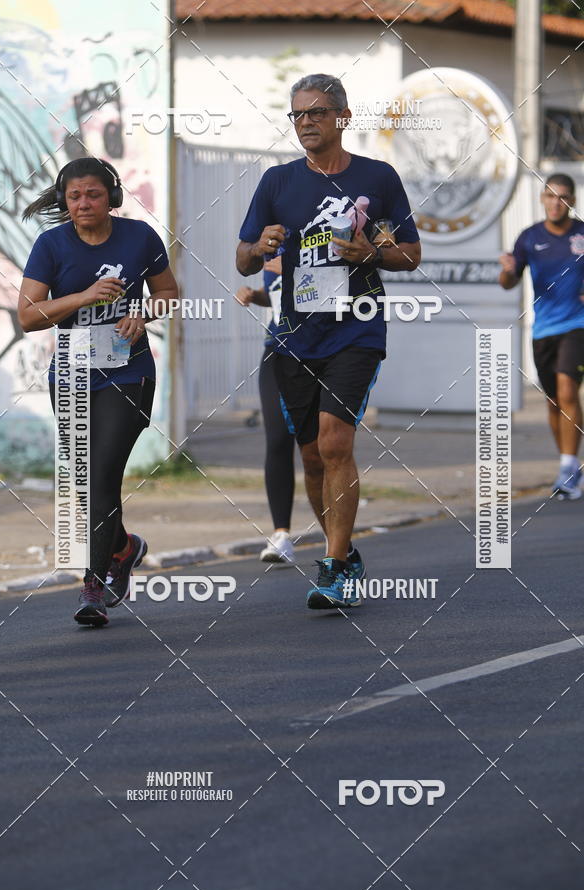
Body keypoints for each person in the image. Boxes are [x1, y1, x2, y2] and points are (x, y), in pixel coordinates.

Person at [236, 73, 421, 610]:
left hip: (356, 328)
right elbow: (242, 259)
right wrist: (258, 247)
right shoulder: (277, 182)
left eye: (316, 112)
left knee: (336, 442)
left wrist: (373, 254)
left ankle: (335, 567)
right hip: (295, 336)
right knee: (313, 457)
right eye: (297, 114)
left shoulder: (377, 177)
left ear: (343, 116)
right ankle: (345, 553)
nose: (305, 122)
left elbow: (411, 254)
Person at [18, 157, 178, 626]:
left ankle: (94, 583)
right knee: (87, 480)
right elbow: (28, 316)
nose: (83, 203)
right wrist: (84, 297)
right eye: (74, 196)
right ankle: (124, 548)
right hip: (71, 373)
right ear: (64, 201)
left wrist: (142, 314)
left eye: (92, 194)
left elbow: (168, 293)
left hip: (127, 372)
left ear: (112, 197)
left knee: (102, 473)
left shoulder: (139, 238)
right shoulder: (51, 245)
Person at [499, 173, 584, 499]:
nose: (555, 203)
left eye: (562, 197)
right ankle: (568, 463)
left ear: (572, 201)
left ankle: (568, 470)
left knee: (567, 389)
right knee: (553, 402)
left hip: (577, 325)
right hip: (543, 329)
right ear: (541, 199)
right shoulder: (529, 237)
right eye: (550, 196)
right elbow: (508, 282)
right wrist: (508, 270)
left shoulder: (581, 234)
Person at [235, 256, 296, 564]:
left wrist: (295, 269)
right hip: (277, 351)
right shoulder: (274, 245)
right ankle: (281, 534)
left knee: (321, 446)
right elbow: (276, 296)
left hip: (320, 352)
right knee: (278, 439)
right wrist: (255, 295)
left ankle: (337, 539)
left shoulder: (322, 238)